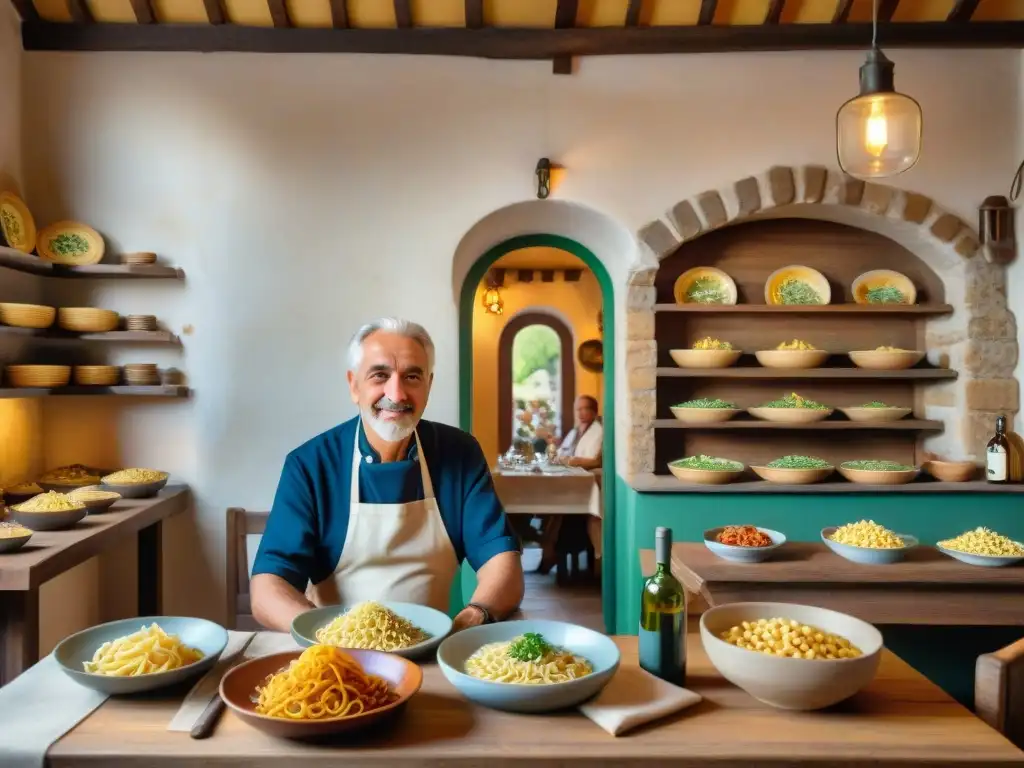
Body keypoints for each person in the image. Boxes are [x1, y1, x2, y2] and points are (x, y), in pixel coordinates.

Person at [250, 317, 525, 633]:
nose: (397, 393)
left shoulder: (460, 453)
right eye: (380, 375)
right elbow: (268, 587)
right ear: (354, 385)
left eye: (412, 376)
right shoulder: (311, 464)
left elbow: (501, 561)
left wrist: (473, 617)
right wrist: (326, 636)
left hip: (436, 646)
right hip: (338, 655)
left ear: (429, 386)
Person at [536, 395, 604, 574]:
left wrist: (572, 460)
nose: (581, 413)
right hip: (567, 481)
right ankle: (548, 549)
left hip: (582, 485)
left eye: (585, 409)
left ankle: (549, 552)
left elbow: (597, 460)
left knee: (556, 511)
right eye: (578, 409)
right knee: (550, 510)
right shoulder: (575, 431)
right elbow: (561, 453)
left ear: (594, 411)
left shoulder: (599, 431)